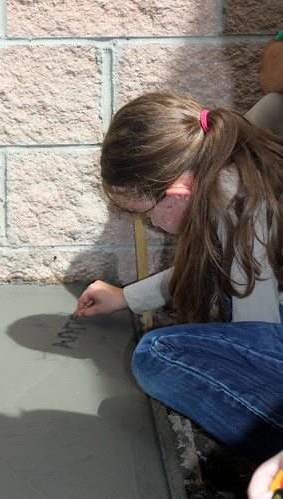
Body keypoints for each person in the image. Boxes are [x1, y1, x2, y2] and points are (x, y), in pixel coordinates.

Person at [75, 46, 283, 463]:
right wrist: (127, 296)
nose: (151, 224)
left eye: (145, 214)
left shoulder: (240, 209)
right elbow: (209, 266)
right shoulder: (228, 155)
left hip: (270, 322)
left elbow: (256, 338)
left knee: (157, 355)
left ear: (176, 195)